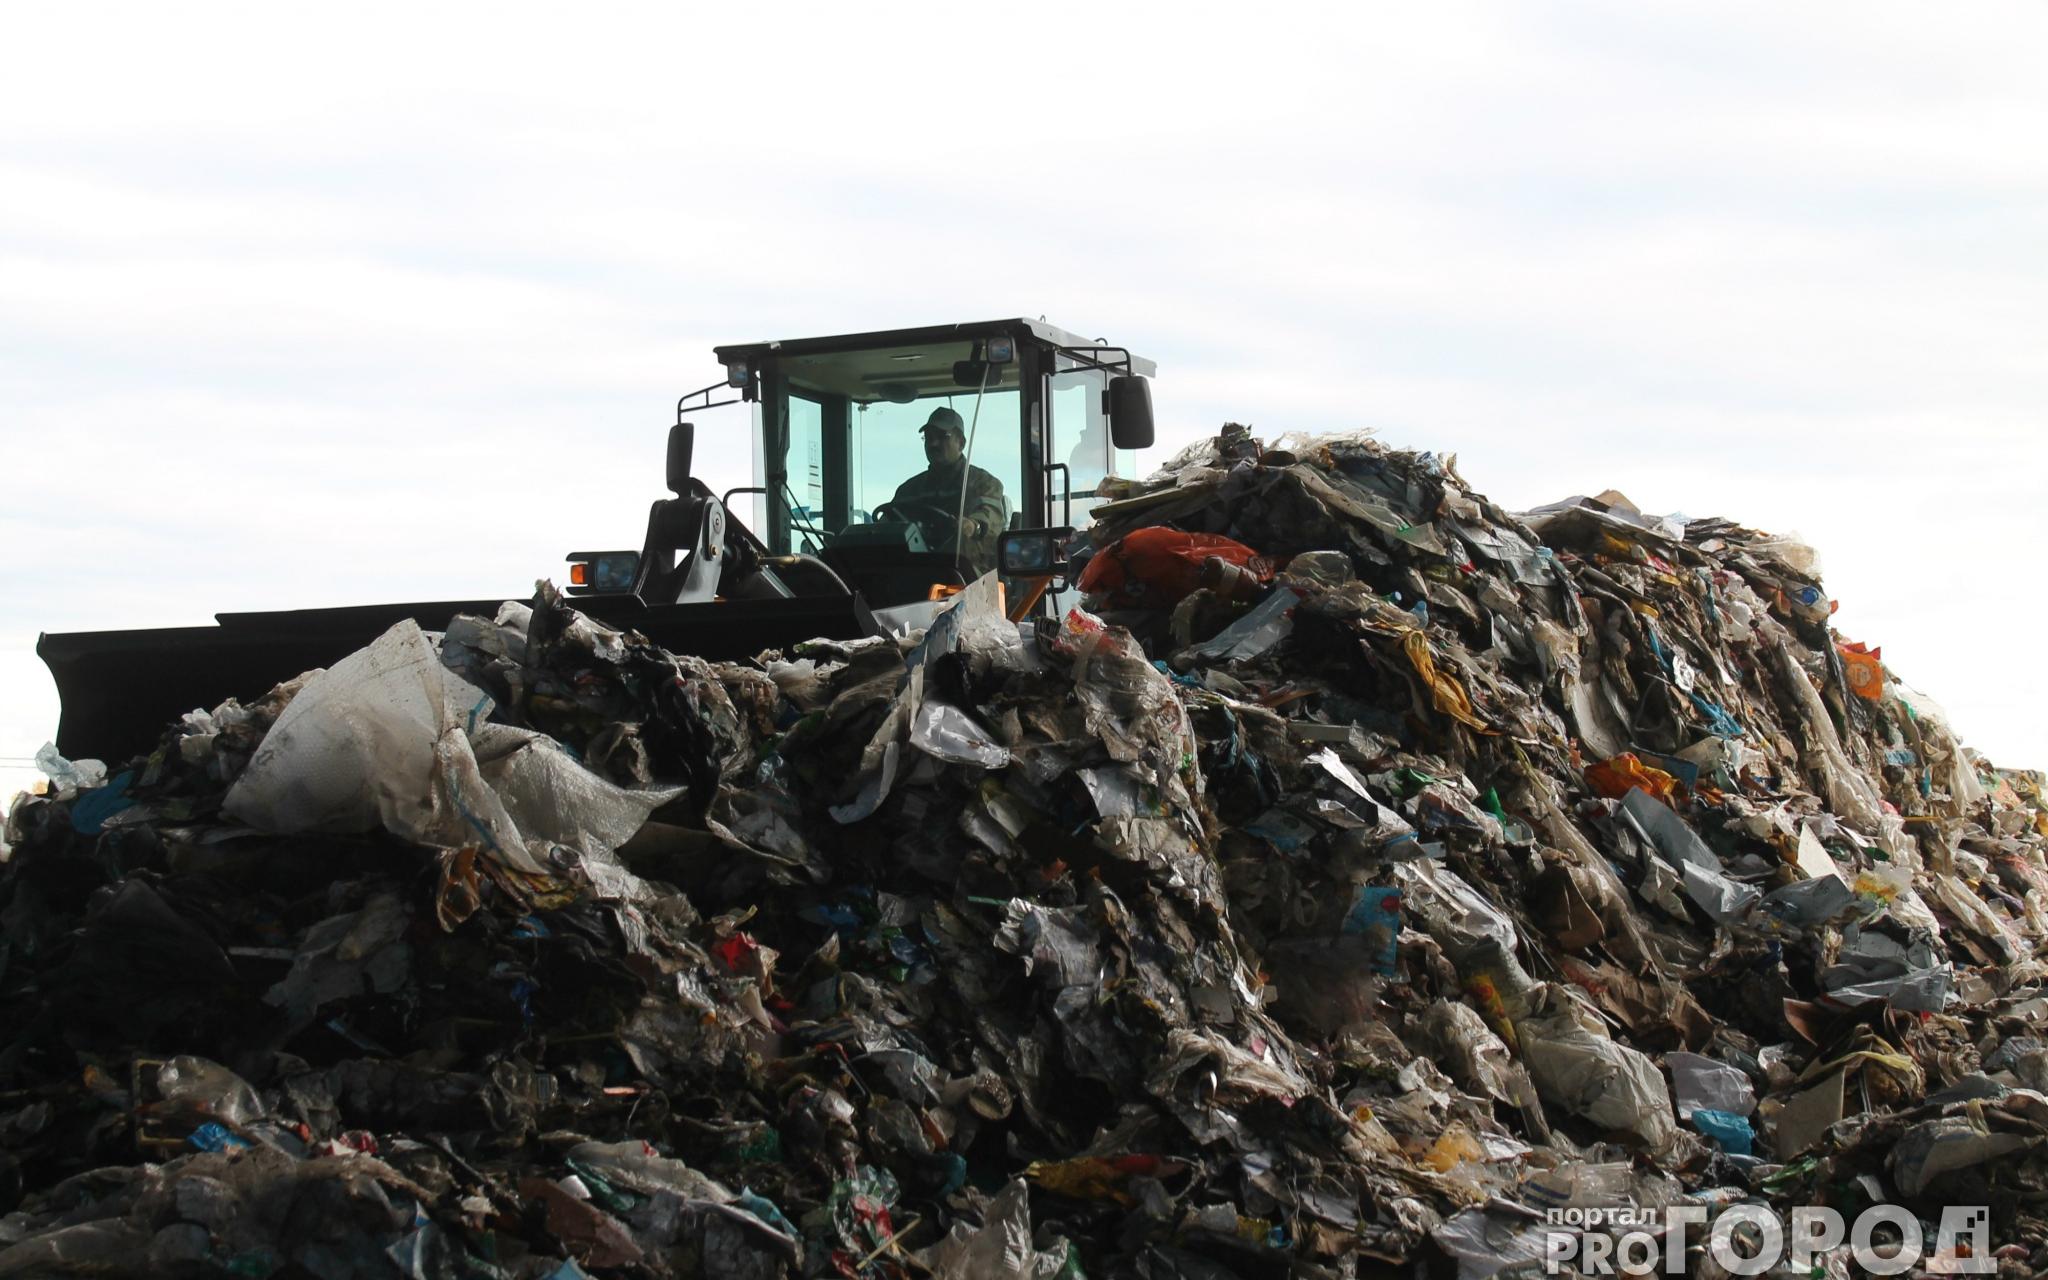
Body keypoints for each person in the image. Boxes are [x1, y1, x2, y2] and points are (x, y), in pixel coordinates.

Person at [888, 405, 1008, 576]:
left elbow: (989, 518)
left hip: (971, 579)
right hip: (916, 574)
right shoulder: (909, 490)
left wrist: (972, 525)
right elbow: (888, 525)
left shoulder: (984, 483)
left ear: (962, 443)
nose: (933, 443)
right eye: (928, 437)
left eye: (942, 437)